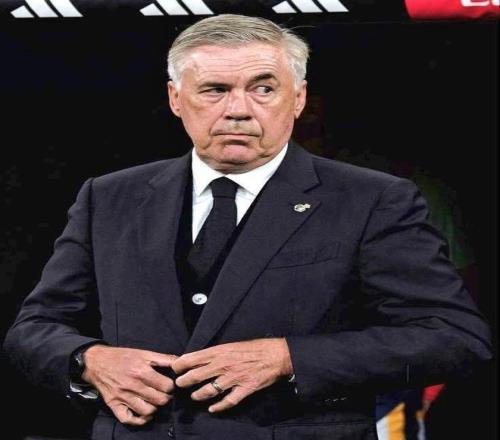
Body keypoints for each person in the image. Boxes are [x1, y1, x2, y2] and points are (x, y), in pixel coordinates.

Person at [3, 14, 492, 440]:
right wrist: (87, 361)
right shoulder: (109, 197)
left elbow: (453, 337)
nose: (238, 110)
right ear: (176, 98)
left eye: (263, 88)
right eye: (215, 90)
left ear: (297, 98)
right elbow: (35, 329)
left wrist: (288, 358)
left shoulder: (373, 200)